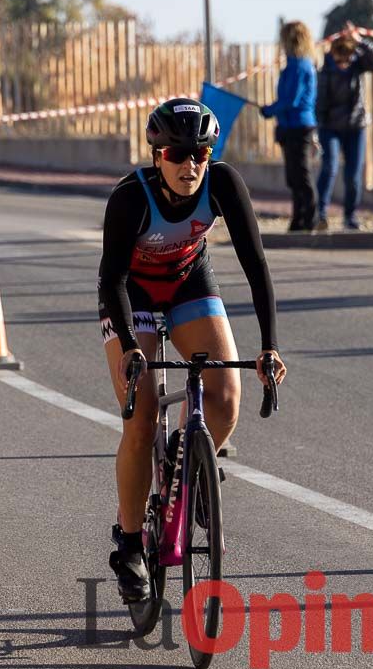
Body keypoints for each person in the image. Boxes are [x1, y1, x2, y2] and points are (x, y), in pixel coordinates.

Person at [98, 97, 286, 603]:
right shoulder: (130, 198)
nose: (191, 165)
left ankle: (187, 462)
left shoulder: (223, 183)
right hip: (129, 293)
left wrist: (268, 347)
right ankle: (131, 543)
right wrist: (131, 351)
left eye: (200, 153)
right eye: (179, 154)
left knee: (225, 397)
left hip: (187, 282)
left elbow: (256, 265)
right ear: (158, 155)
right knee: (138, 423)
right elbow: (112, 276)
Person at [315, 24, 373, 231]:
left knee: (353, 175)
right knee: (329, 167)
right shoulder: (325, 71)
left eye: (347, 60)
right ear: (333, 55)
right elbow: (319, 104)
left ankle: (350, 216)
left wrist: (360, 41)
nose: (343, 65)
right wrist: (317, 131)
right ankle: (320, 214)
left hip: (356, 127)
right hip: (330, 128)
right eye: (339, 61)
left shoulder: (357, 63)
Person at [260, 21, 318, 232]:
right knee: (293, 176)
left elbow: (291, 99)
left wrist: (270, 110)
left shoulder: (300, 65)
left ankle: (310, 218)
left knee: (301, 174)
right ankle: (298, 219)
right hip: (289, 126)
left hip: (299, 126)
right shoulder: (294, 65)